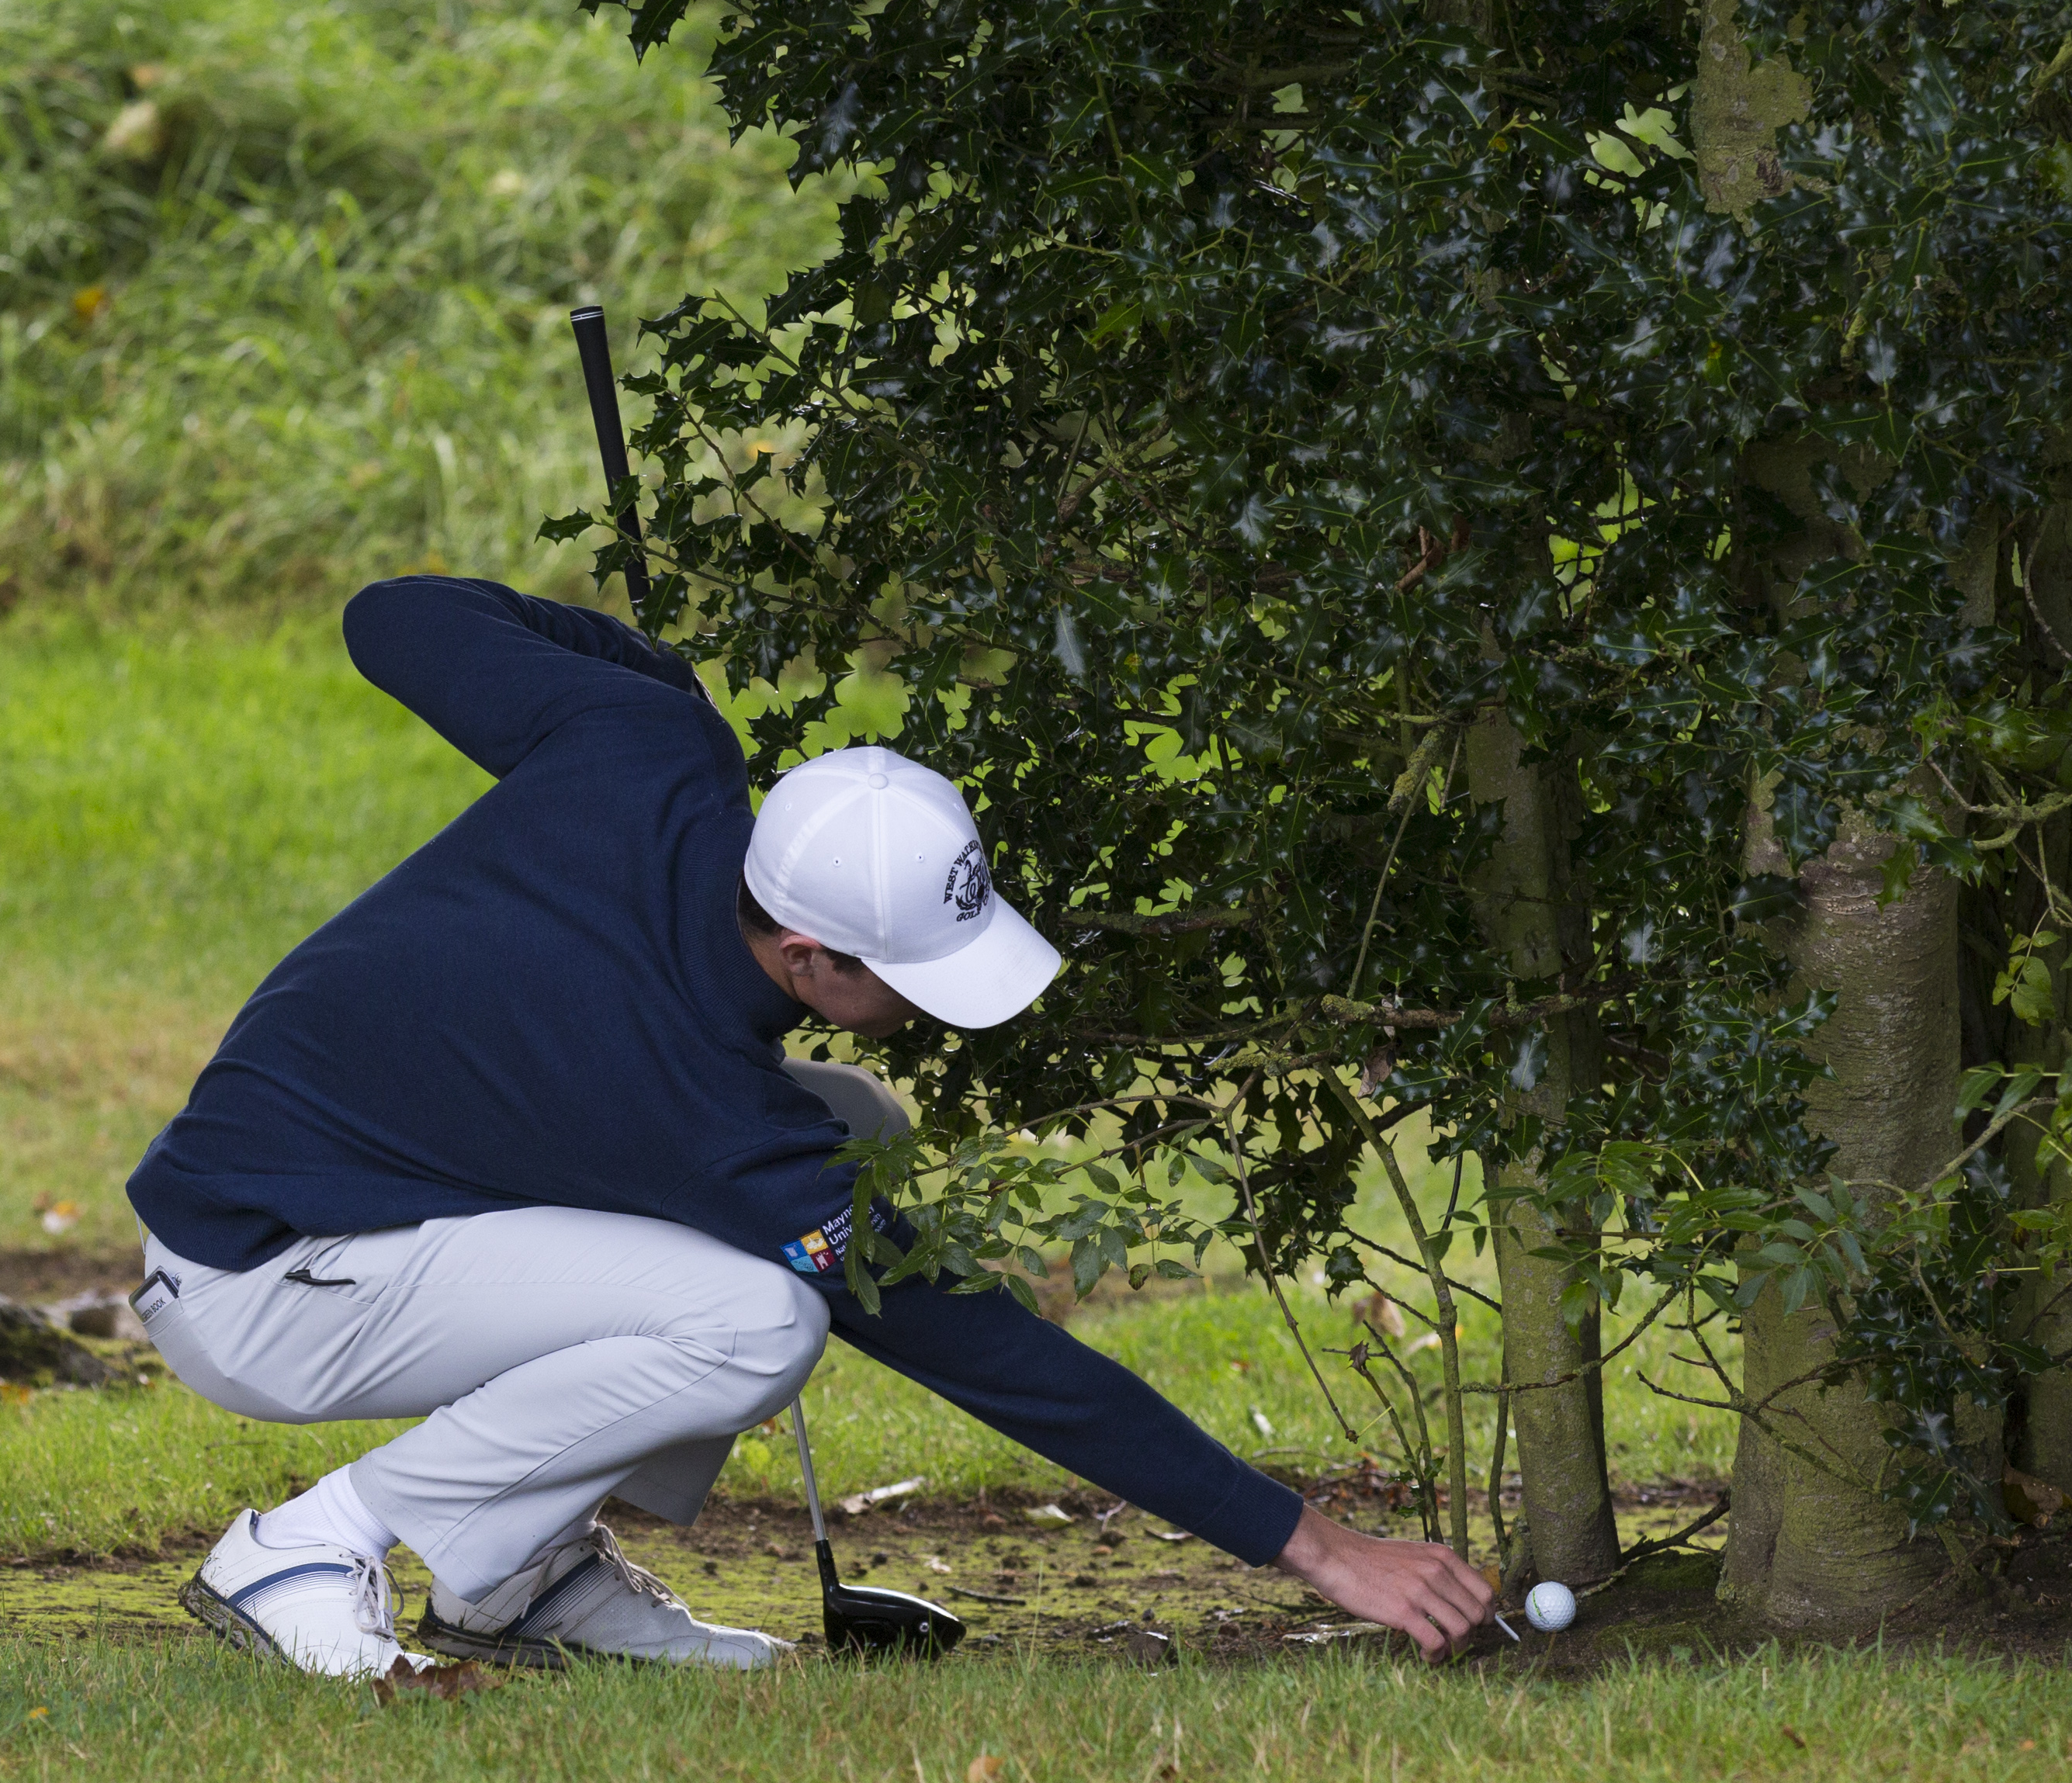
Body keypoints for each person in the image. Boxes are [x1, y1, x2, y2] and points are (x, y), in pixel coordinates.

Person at [124, 576, 1497, 1674]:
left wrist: (641, 677)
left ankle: (517, 1575)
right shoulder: (700, 1109)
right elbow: (967, 1335)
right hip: (260, 1277)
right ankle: (313, 1545)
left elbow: (396, 614)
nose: (936, 1003)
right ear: (808, 956)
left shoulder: (648, 743)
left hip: (368, 1192)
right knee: (763, 1317)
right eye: (910, 974)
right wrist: (1312, 1545)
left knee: (843, 1110)